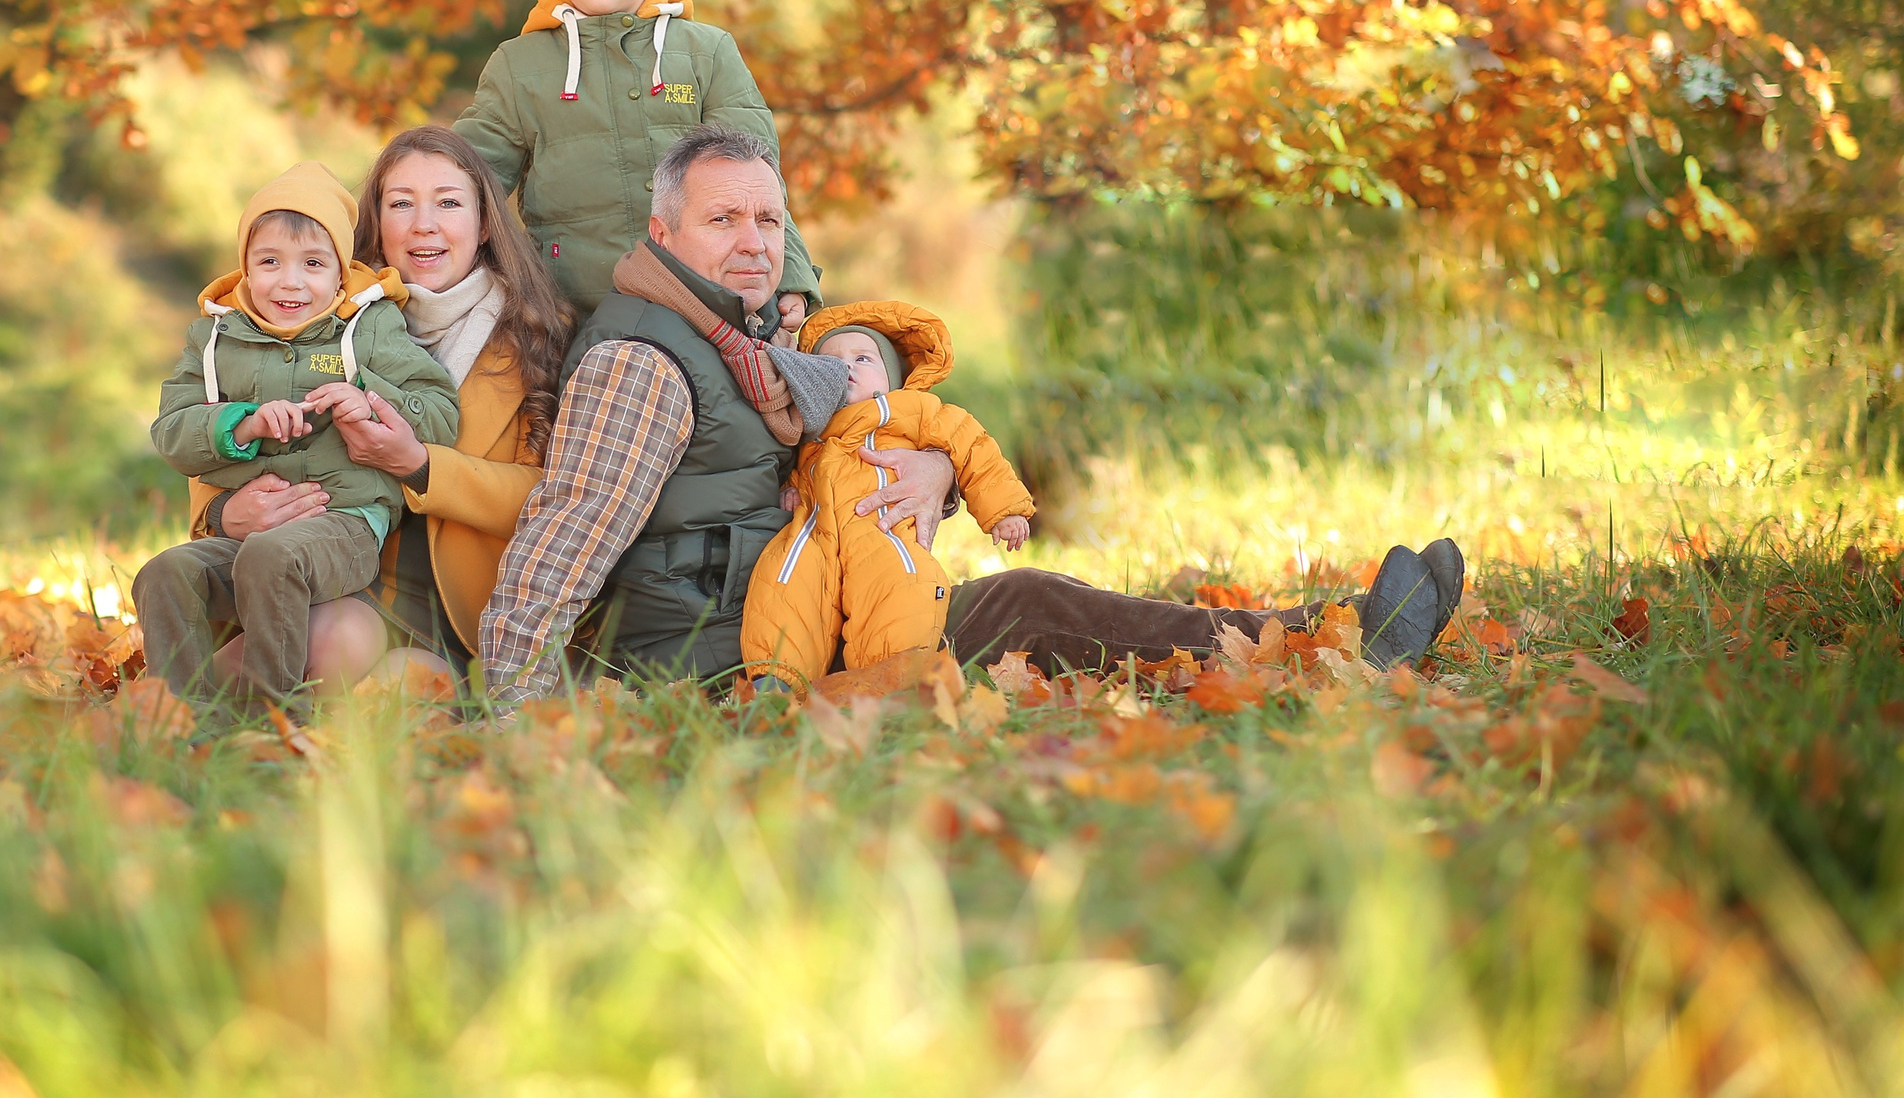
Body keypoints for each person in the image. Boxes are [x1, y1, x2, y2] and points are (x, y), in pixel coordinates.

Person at [475, 125, 1465, 707]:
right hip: (729, 668)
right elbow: (569, 531)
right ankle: (1325, 646)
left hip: (822, 618)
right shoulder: (644, 360)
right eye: (722, 218)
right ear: (663, 231)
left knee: (1030, 602)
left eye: (768, 219)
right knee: (1030, 609)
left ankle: (1323, 633)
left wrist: (942, 471)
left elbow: (859, 442)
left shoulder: (754, 343)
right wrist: (519, 713)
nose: (752, 240)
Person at [180, 128, 573, 690]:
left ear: (485, 224)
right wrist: (222, 512)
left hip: (455, 605)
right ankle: (178, 727)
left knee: (392, 693)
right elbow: (218, 426)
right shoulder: (319, 311)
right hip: (337, 578)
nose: (423, 224)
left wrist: (419, 465)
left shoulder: (533, 334)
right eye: (401, 204)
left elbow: (557, 500)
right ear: (375, 223)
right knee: (282, 661)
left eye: (448, 203)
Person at [133, 163, 459, 703]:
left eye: (312, 263)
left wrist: (369, 400)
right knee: (166, 572)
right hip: (247, 534)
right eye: (270, 262)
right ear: (244, 268)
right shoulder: (215, 338)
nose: (290, 281)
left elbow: (440, 414)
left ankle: (274, 715)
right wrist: (244, 423)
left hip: (346, 525)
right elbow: (171, 431)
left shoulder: (369, 327)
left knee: (273, 559)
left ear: (340, 274)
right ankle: (180, 715)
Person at [454, 0, 823, 329]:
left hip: (702, 306)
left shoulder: (705, 53)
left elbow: (760, 182)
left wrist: (789, 274)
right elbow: (467, 180)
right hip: (570, 312)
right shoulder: (520, 65)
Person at [740, 300, 1035, 695]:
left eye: (862, 358)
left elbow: (972, 446)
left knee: (899, 587)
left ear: (892, 378)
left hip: (882, 529)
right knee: (784, 583)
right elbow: (796, 465)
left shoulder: (914, 409)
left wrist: (1005, 510)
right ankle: (776, 680)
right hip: (815, 532)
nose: (846, 367)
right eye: (831, 361)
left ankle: (892, 677)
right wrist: (790, 488)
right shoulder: (812, 425)